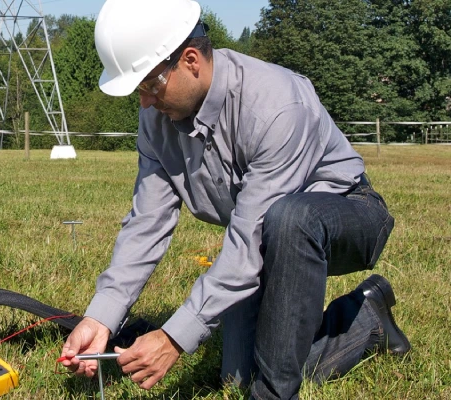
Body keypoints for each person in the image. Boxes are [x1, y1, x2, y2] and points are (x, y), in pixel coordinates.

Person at [59, 0, 411, 398]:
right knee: (237, 376)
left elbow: (250, 239)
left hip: (347, 214)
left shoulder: (276, 104)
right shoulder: (155, 118)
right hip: (266, 236)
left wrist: (174, 338)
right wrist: (101, 317)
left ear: (190, 60)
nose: (144, 102)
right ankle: (367, 318)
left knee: (290, 220)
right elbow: (147, 223)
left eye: (149, 85)